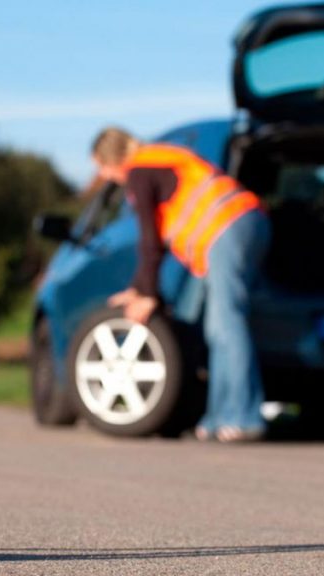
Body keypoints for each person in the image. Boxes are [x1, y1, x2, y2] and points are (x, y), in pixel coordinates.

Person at [91, 126, 271, 443]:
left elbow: (149, 239)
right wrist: (139, 289)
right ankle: (218, 419)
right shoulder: (156, 159)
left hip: (227, 224)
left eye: (101, 168)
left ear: (109, 159)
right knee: (217, 326)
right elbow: (157, 240)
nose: (105, 176)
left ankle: (244, 417)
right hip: (243, 223)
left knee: (227, 321)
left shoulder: (139, 170)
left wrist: (146, 294)